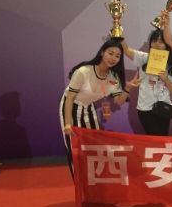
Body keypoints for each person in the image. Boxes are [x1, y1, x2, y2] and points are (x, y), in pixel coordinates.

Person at [59, 38, 140, 175]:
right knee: (74, 149)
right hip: (70, 106)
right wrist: (67, 123)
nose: (113, 58)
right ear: (102, 52)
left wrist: (127, 88)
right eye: (110, 53)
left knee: (92, 146)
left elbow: (119, 101)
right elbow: (70, 98)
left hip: (88, 107)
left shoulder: (113, 77)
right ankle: (79, 183)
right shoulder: (84, 71)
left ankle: (92, 182)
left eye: (117, 56)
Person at [121, 28, 172, 135]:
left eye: (161, 42)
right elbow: (126, 50)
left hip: (163, 108)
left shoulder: (171, 66)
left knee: (162, 138)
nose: (157, 44)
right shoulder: (143, 58)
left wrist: (166, 79)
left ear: (166, 45)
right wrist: (118, 32)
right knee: (154, 137)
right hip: (145, 108)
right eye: (154, 41)